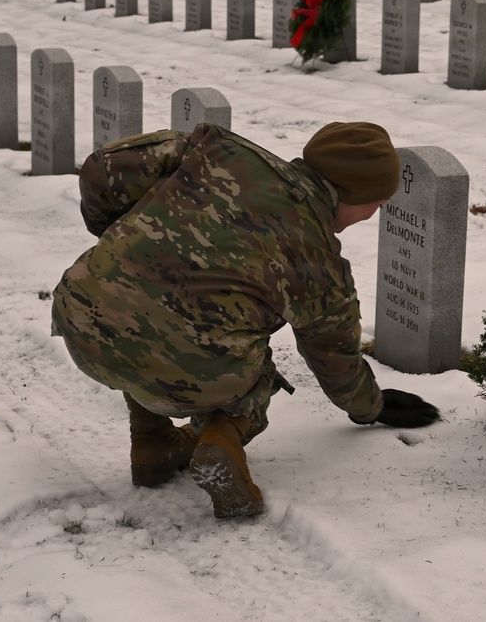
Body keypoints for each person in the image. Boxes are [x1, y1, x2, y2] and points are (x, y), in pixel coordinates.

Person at [52, 121, 441, 518]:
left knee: (150, 311)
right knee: (246, 365)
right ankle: (222, 440)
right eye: (379, 203)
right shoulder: (320, 262)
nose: (375, 214)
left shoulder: (219, 149)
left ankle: (153, 445)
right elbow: (333, 357)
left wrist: (118, 244)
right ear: (357, 196)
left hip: (81, 317)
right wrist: (371, 408)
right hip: (187, 369)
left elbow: (102, 168)